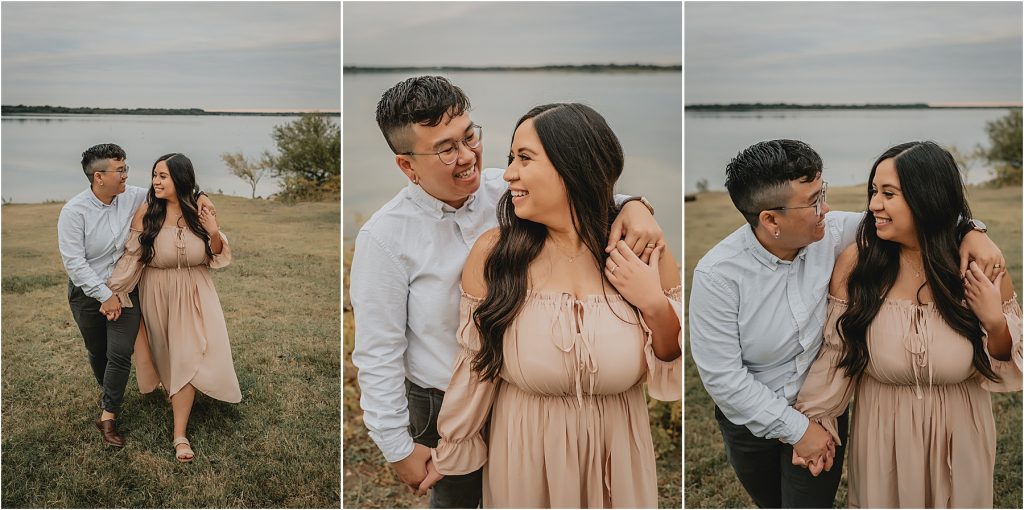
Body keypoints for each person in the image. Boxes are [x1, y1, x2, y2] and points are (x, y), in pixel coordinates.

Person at [349, 76, 665, 508]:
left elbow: (580, 187)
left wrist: (634, 205)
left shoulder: (506, 188)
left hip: (524, 387)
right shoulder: (384, 238)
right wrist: (397, 448)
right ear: (408, 166)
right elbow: (378, 351)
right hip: (443, 398)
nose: (467, 156)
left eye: (470, 136)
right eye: (446, 149)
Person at [688, 139, 1004, 508]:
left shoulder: (836, 232)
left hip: (823, 409)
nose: (826, 208)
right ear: (771, 220)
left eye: (822, 193)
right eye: (813, 202)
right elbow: (724, 378)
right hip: (750, 421)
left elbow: (922, 216)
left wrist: (973, 231)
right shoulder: (718, 276)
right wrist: (798, 430)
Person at [794, 141, 1021, 508]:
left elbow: (1002, 366)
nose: (873, 205)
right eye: (873, 191)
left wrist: (995, 323)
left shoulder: (977, 266)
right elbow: (836, 354)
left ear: (926, 198)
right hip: (883, 434)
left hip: (961, 434)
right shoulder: (858, 265)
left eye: (888, 193)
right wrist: (812, 422)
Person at [57, 143, 214, 447]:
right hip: (87, 292)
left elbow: (176, 185)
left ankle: (108, 416)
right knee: (98, 350)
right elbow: (74, 263)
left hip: (127, 288)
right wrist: (104, 295)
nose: (126, 174)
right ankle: (109, 389)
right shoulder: (74, 212)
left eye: (126, 167)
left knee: (119, 352)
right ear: (99, 177)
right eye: (120, 170)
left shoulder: (134, 196)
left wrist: (201, 194)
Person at [107, 153, 240, 462]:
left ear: (180, 179)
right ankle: (176, 393)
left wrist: (213, 230)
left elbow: (215, 255)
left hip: (196, 292)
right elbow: (132, 258)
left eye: (163, 176)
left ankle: (180, 435)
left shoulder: (199, 212)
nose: (156, 181)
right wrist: (113, 293)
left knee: (188, 354)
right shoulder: (147, 213)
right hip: (157, 293)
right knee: (168, 355)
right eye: (155, 175)